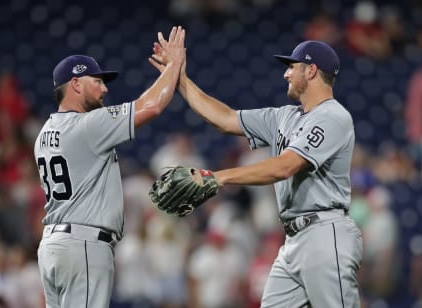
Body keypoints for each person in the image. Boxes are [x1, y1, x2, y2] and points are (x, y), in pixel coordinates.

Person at [150, 39, 363, 307]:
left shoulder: (333, 117)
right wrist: (179, 77)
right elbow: (225, 119)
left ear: (310, 71)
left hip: (325, 233)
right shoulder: (284, 116)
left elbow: (285, 166)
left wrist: (218, 177)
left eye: (292, 67)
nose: (286, 73)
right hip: (294, 239)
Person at [34, 26, 185, 308]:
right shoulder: (86, 126)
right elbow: (150, 106)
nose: (104, 89)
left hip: (52, 246)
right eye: (97, 81)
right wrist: (174, 65)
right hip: (84, 245)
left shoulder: (44, 132)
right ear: (76, 84)